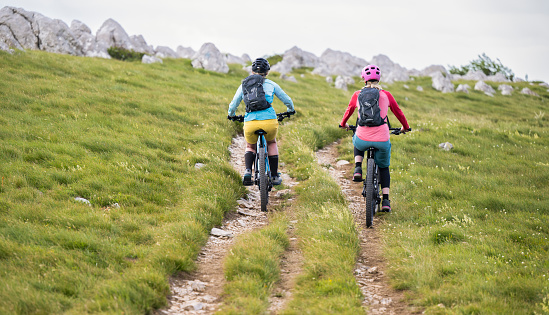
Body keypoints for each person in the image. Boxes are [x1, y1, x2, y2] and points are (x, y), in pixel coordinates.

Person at [339, 65, 410, 212]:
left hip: (362, 138)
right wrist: (405, 127)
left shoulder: (357, 94)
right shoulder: (387, 95)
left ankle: (358, 168)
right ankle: (385, 200)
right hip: (382, 139)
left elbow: (349, 110)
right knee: (384, 167)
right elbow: (398, 112)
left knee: (356, 138)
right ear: (379, 79)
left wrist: (343, 124)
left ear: (363, 79)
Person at [228, 58, 295, 186]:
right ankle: (275, 175)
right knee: (271, 143)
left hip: (250, 122)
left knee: (250, 146)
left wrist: (231, 115)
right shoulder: (271, 84)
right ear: (267, 72)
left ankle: (248, 172)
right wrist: (290, 110)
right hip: (269, 121)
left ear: (252, 72)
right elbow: (287, 100)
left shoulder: (244, 84)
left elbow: (234, 103)